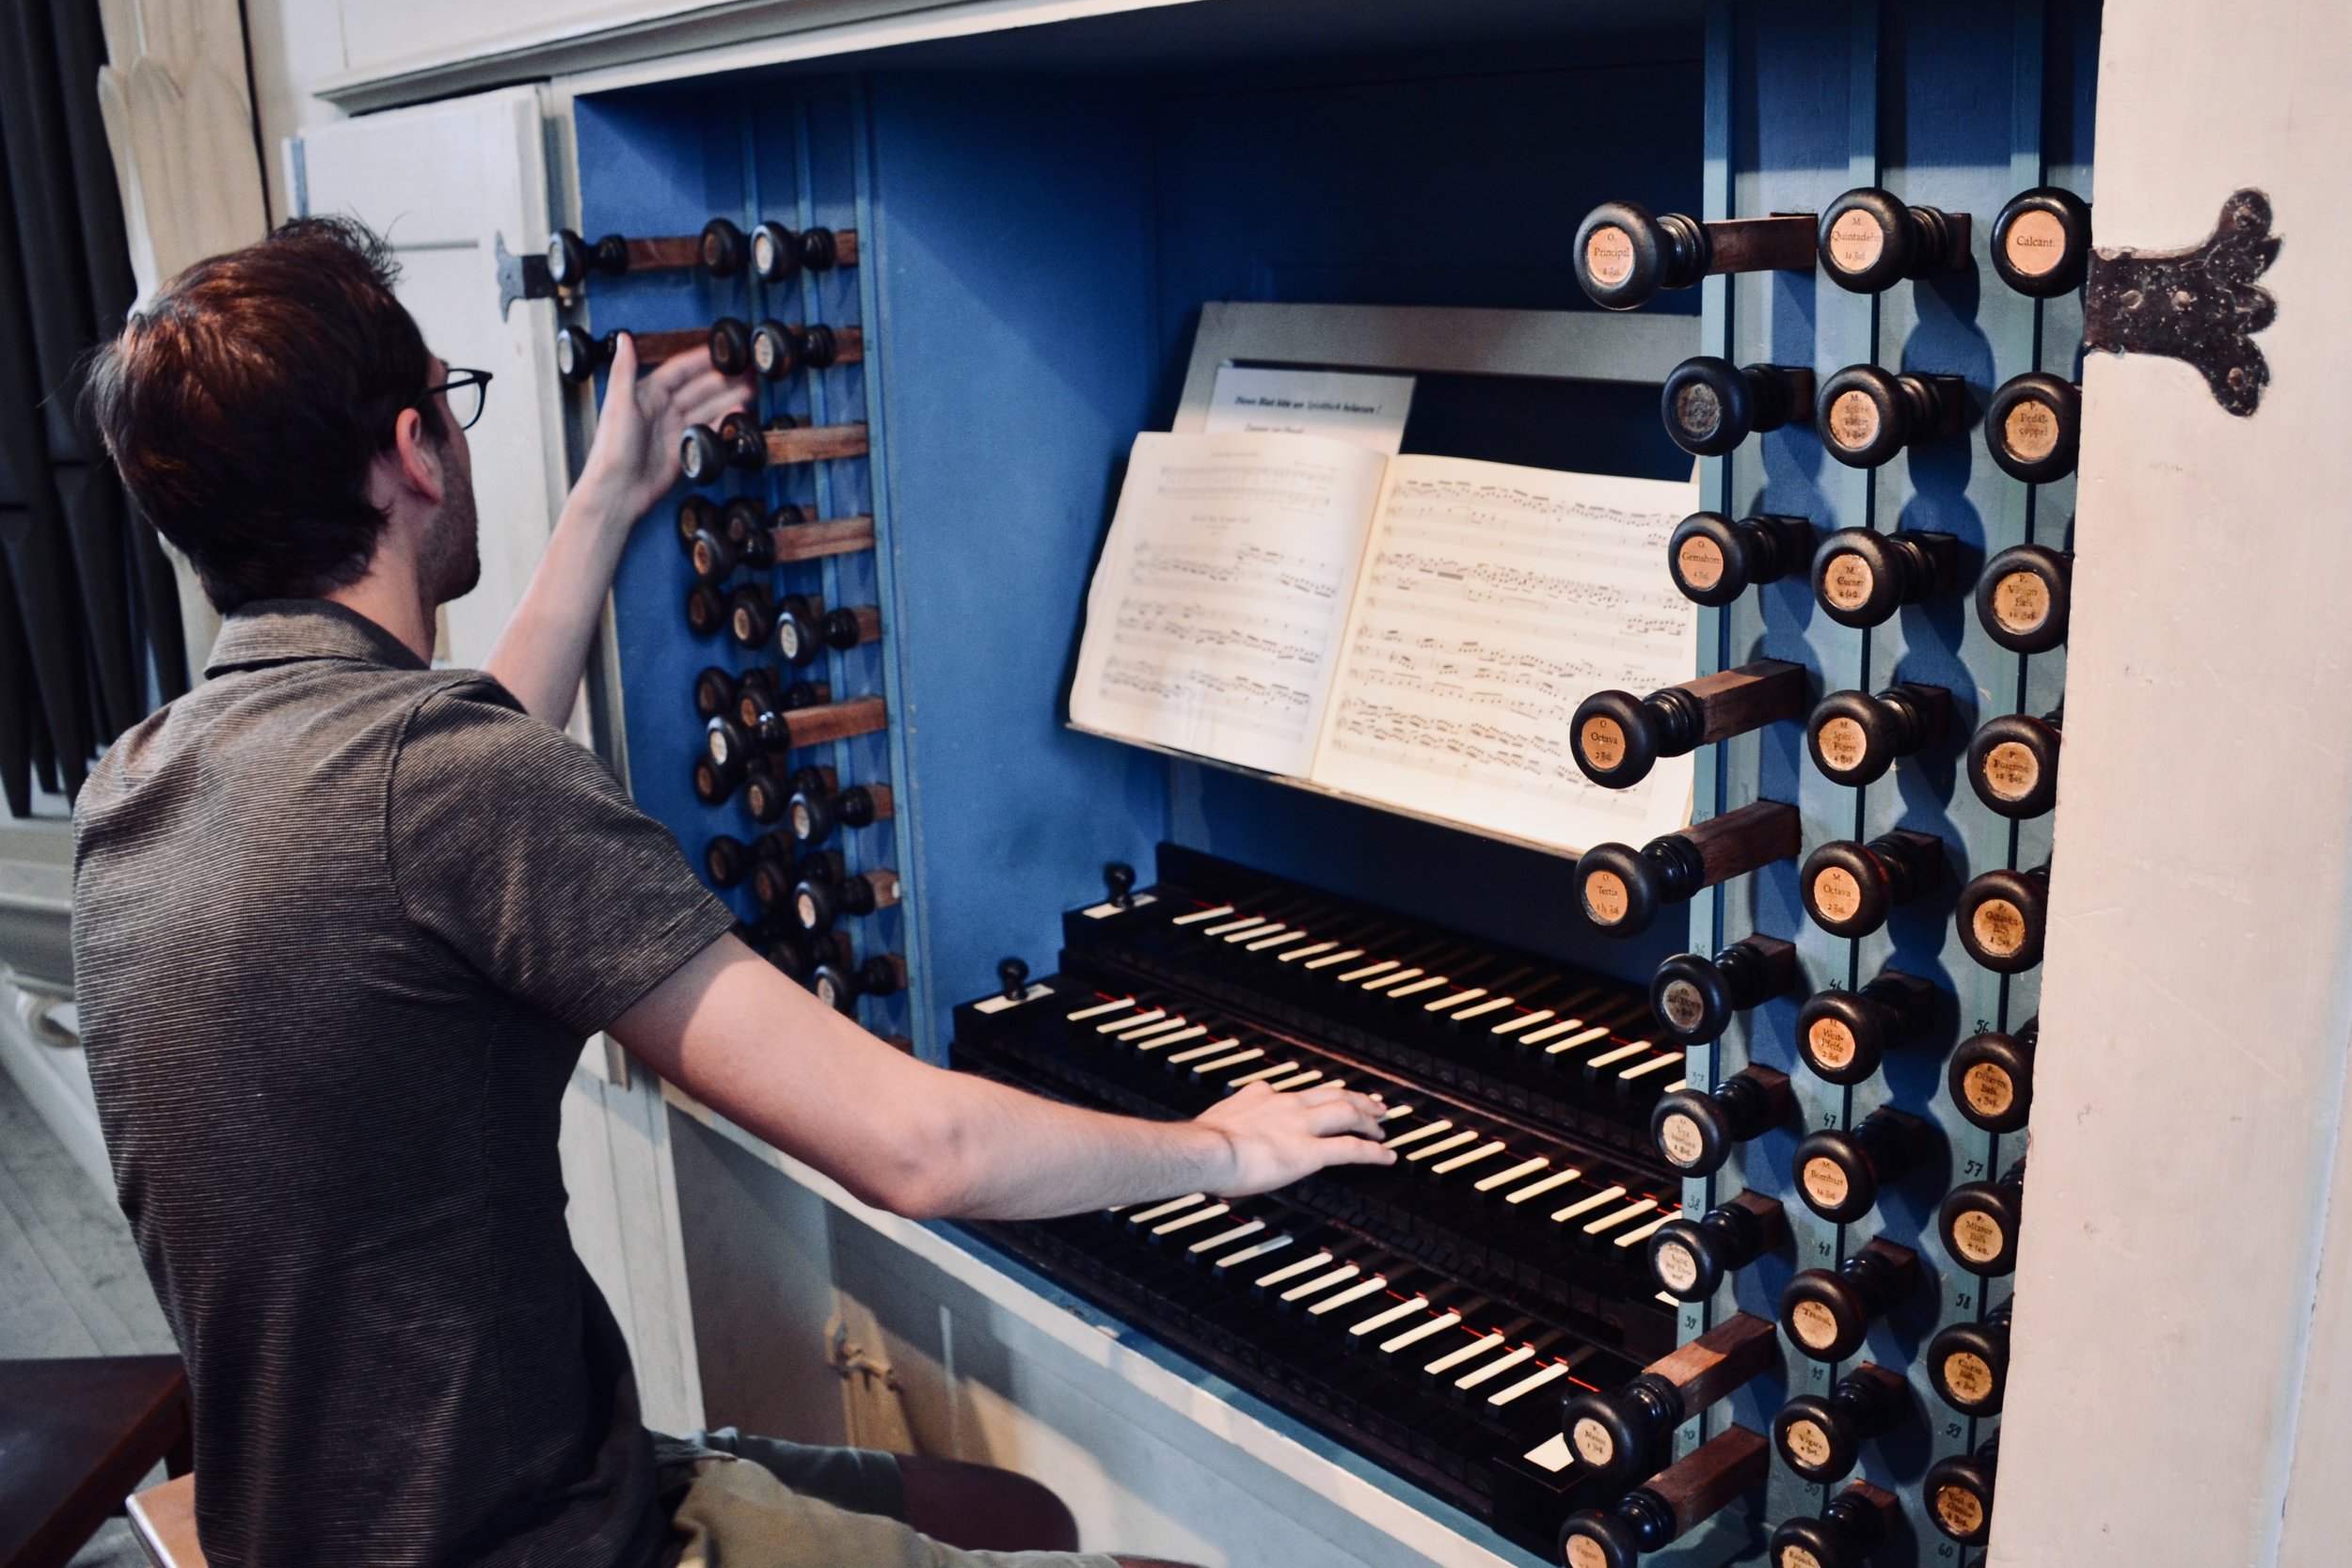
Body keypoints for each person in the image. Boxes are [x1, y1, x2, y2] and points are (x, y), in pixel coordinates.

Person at [72, 216, 1394, 1568]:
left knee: (1013, 1515)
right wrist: (1225, 1149)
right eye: (451, 402)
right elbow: (917, 1154)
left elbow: (439, 807)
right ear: (415, 451)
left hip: (308, 1531)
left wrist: (608, 497)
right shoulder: (450, 789)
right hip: (540, 1545)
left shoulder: (140, 782)